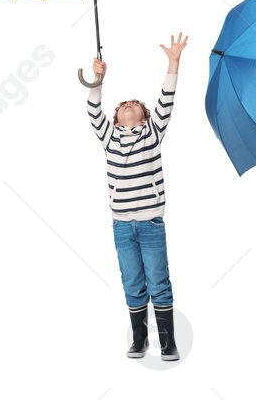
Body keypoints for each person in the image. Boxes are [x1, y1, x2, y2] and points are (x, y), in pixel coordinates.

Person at [91, 32, 188, 361]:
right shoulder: (109, 137)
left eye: (134, 104)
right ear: (115, 118)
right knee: (132, 281)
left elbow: (166, 100)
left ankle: (167, 342)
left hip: (150, 223)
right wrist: (98, 81)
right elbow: (93, 109)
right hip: (121, 226)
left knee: (159, 280)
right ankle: (139, 339)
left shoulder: (152, 132)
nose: (127, 105)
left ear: (145, 117)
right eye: (121, 106)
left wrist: (173, 63)